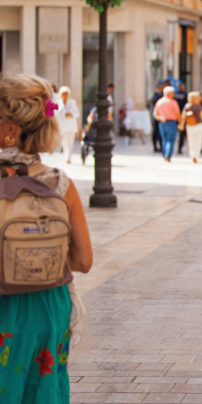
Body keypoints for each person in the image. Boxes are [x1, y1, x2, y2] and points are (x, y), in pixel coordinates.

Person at [0, 72, 93, 402]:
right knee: (44, 392)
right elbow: (83, 261)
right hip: (50, 306)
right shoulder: (61, 184)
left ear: (11, 129)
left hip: (4, 305)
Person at [153, 86, 181, 162]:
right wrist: (181, 122)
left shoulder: (159, 102)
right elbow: (178, 114)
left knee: (164, 139)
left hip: (162, 122)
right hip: (171, 122)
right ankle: (167, 155)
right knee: (171, 139)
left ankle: (165, 154)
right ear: (169, 93)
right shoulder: (173, 102)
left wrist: (161, 118)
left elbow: (155, 114)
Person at [180, 91, 202, 163]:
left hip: (189, 126)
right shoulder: (199, 107)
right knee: (198, 141)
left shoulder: (187, 106)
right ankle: (196, 155)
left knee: (191, 141)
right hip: (199, 126)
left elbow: (183, 117)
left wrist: (181, 125)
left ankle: (192, 154)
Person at [55, 86, 80, 164]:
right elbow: (55, 114)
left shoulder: (72, 102)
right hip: (62, 126)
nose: (65, 95)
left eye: (67, 93)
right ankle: (65, 155)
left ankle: (68, 158)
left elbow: (77, 113)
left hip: (70, 126)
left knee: (69, 142)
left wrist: (71, 114)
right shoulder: (58, 103)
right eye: (64, 93)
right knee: (64, 142)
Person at [151, 83, 165, 152]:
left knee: (160, 133)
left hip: (161, 116)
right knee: (157, 132)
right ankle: (155, 146)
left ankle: (161, 147)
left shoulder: (160, 96)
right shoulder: (157, 96)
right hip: (157, 117)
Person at [175, 83, 188, 154]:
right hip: (183, 116)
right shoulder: (186, 95)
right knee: (182, 133)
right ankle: (180, 148)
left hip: (175, 116)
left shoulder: (174, 95)